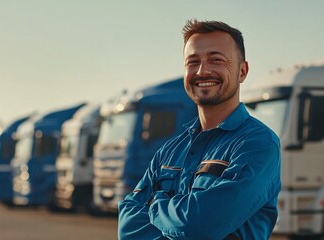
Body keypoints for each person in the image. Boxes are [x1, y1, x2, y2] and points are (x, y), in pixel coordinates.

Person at [118, 19, 281, 240]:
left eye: (216, 60)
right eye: (192, 62)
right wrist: (180, 217)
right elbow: (127, 227)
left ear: (242, 72)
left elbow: (200, 227)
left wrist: (156, 203)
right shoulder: (169, 151)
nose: (202, 71)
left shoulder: (258, 144)